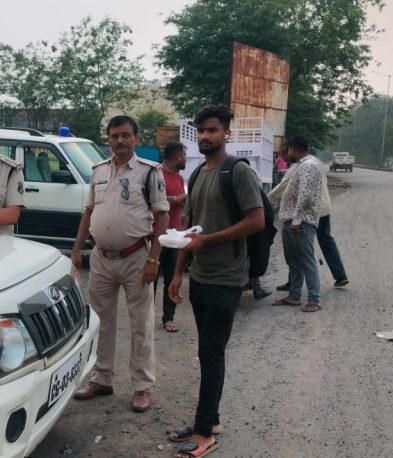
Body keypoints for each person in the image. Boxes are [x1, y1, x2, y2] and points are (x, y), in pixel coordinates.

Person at [165, 105, 265, 457]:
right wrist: (178, 273)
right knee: (206, 350)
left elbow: (256, 221)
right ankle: (212, 419)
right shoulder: (196, 174)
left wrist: (208, 241)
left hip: (227, 277)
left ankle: (204, 433)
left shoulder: (238, 171)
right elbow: (189, 229)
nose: (205, 136)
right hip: (201, 276)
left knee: (211, 351)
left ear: (226, 133)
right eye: (201, 131)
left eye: (212, 130)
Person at [71, 115, 170, 412]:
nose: (120, 141)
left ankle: (142, 386)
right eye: (114, 136)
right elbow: (88, 212)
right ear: (108, 139)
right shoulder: (98, 171)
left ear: (136, 138)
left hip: (136, 257)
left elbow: (162, 216)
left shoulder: (149, 172)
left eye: (126, 135)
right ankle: (102, 379)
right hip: (101, 258)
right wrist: (76, 250)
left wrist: (154, 259)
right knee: (100, 321)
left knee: (141, 324)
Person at [268, 148, 349, 289]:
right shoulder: (315, 162)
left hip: (309, 210)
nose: (283, 158)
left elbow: (283, 186)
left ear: (292, 151)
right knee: (326, 240)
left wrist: (266, 200)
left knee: (299, 248)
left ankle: (299, 286)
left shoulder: (300, 165)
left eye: (284, 154)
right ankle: (340, 275)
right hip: (324, 207)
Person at [270, 136, 323, 312]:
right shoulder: (301, 165)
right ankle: (294, 295)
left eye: (287, 151)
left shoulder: (309, 165)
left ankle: (314, 300)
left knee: (306, 261)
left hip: (300, 222)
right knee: (293, 261)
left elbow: (305, 195)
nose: (285, 155)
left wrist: (297, 220)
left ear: (294, 149)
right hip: (291, 219)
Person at [156, 141, 187, 333]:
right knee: (150, 279)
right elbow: (150, 199)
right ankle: (144, 316)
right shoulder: (157, 175)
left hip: (175, 236)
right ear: (177, 156)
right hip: (158, 236)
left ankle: (168, 317)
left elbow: (181, 204)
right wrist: (175, 200)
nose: (185, 159)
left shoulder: (179, 178)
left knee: (172, 278)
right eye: (184, 155)